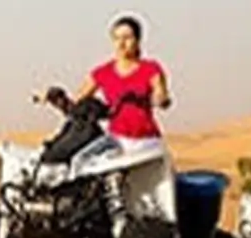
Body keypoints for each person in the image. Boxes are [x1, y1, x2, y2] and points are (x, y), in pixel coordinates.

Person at [42, 14, 171, 145]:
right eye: (117, 38)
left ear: (137, 41)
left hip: (147, 141)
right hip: (117, 142)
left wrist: (160, 99)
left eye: (127, 38)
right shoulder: (102, 72)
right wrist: (54, 98)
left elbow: (161, 94)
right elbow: (76, 102)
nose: (121, 43)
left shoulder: (151, 69)